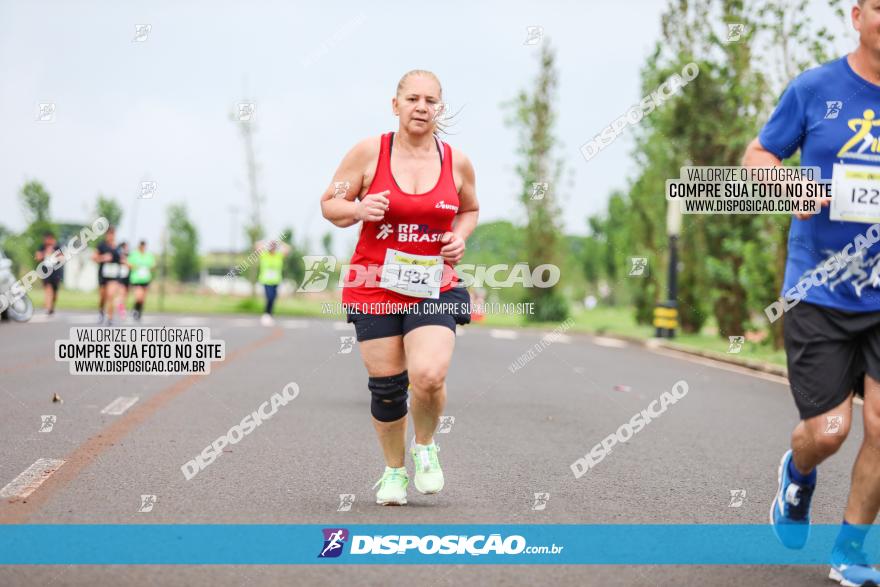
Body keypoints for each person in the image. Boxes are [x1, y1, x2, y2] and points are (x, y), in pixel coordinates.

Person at [744, 2, 880, 583]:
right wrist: (786, 181)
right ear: (856, 16)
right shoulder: (814, 87)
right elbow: (758, 155)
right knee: (829, 432)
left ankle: (851, 551)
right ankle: (798, 476)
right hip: (820, 288)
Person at [320, 69, 479, 505]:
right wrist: (357, 207)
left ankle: (425, 446)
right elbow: (329, 203)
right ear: (396, 105)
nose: (421, 107)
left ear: (439, 108)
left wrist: (460, 236)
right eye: (413, 99)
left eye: (430, 100)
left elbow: (471, 209)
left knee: (428, 375)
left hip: (434, 284)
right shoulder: (368, 153)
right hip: (375, 283)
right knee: (388, 388)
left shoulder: (456, 161)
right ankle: (393, 472)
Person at [92, 226, 123, 326]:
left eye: (113, 234)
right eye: (109, 234)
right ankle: (101, 311)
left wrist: (125, 262)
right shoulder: (101, 246)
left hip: (114, 275)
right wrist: (103, 258)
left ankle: (110, 318)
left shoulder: (118, 247)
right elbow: (94, 258)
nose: (111, 236)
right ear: (106, 235)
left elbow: (122, 259)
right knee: (103, 297)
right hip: (103, 275)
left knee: (111, 295)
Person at [256, 239, 290, 326]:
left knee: (273, 298)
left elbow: (288, 249)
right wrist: (266, 241)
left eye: (274, 246)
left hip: (276, 281)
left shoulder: (279, 255)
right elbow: (256, 246)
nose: (272, 248)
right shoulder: (264, 255)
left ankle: (269, 315)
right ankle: (266, 314)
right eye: (271, 246)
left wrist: (280, 242)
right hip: (266, 281)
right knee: (269, 297)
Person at [34, 231, 63, 315]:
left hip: (56, 272)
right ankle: (48, 307)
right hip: (46, 271)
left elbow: (62, 257)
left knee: (55, 292)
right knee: (48, 288)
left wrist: (54, 253)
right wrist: (45, 252)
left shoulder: (58, 247)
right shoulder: (42, 247)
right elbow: (37, 257)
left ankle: (52, 306)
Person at [127, 240, 155, 322]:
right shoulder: (134, 254)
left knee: (143, 298)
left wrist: (148, 267)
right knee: (138, 297)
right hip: (136, 279)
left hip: (146, 279)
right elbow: (128, 263)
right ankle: (135, 309)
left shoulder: (148, 255)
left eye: (144, 246)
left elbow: (153, 265)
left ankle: (139, 312)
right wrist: (135, 266)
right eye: (141, 246)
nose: (143, 247)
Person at [117, 241, 130, 321]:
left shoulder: (128, 255)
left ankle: (121, 306)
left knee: (125, 295)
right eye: (125, 247)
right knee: (121, 294)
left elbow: (130, 264)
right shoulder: (118, 254)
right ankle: (122, 311)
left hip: (127, 277)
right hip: (120, 276)